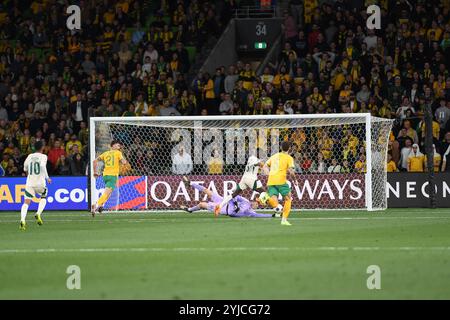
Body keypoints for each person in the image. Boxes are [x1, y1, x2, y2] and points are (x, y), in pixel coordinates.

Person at [181, 176, 278, 219]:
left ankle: (189, 209)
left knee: (202, 204)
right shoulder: (246, 201)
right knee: (207, 191)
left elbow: (260, 216)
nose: (255, 203)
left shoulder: (250, 213)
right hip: (224, 201)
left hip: (224, 209)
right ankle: (190, 183)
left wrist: (272, 215)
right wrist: (235, 203)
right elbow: (235, 195)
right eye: (256, 201)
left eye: (257, 204)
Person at [215, 155, 282, 215]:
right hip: (251, 179)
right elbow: (261, 164)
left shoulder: (249, 162)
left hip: (244, 179)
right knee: (264, 193)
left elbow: (259, 164)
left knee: (233, 194)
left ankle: (220, 206)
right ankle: (275, 207)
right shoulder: (254, 161)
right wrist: (268, 170)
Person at [263, 141, 298, 226]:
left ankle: (265, 198)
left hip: (271, 180)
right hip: (281, 180)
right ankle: (284, 220)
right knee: (288, 198)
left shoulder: (274, 156)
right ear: (289, 148)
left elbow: (264, 166)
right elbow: (291, 172)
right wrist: (295, 180)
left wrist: (269, 174)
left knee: (274, 200)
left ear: (281, 147)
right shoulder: (289, 158)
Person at [92, 140, 130, 216]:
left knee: (108, 193)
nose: (119, 147)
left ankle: (100, 206)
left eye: (119, 146)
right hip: (112, 176)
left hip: (105, 175)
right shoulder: (118, 153)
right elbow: (124, 162)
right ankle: (96, 205)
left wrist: (95, 172)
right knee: (106, 193)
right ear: (112, 146)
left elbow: (94, 161)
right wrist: (125, 162)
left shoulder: (105, 153)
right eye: (117, 145)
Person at [20, 141, 52, 231]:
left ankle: (22, 220)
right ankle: (38, 213)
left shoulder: (30, 156)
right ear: (42, 147)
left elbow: (24, 168)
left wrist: (29, 175)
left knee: (26, 202)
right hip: (40, 183)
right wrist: (47, 177)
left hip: (30, 183)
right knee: (44, 196)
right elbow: (42, 166)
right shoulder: (43, 156)